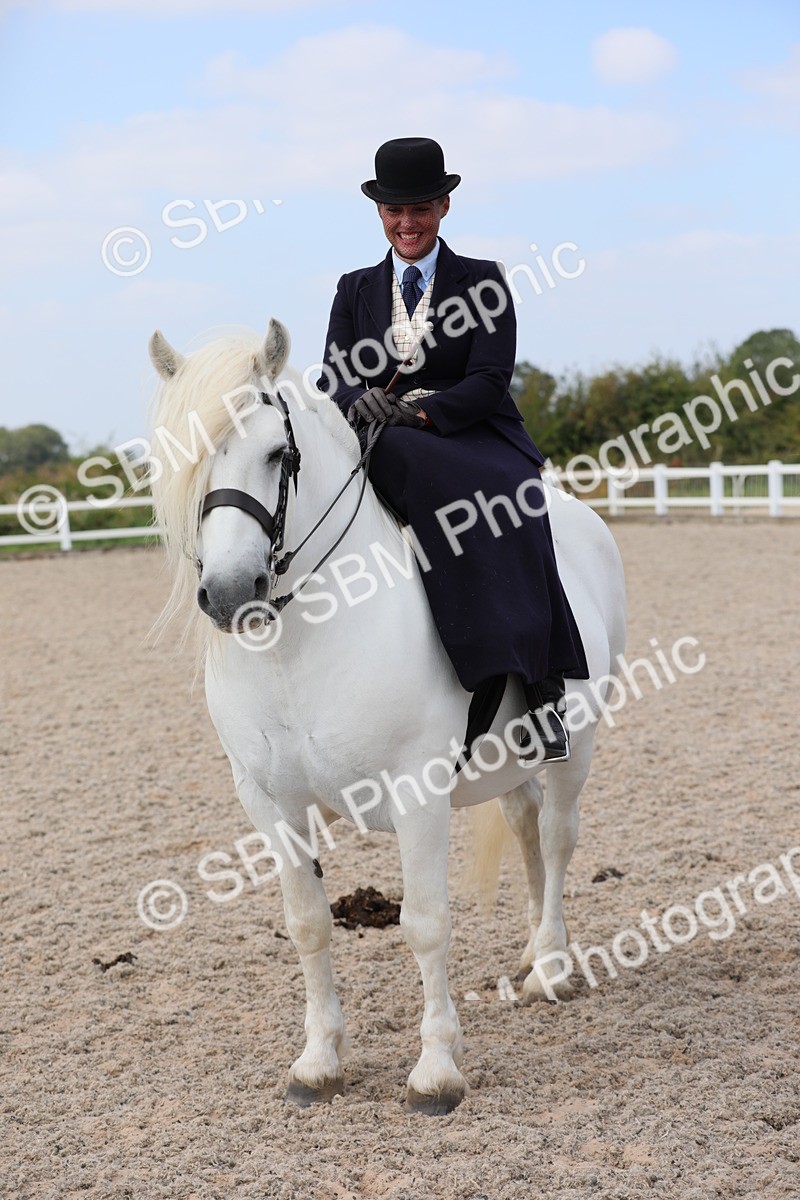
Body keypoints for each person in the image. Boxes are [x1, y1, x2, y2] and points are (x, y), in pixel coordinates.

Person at [318, 137, 588, 762]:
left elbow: (490, 378)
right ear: (379, 213)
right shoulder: (353, 288)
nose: (406, 223)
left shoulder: (483, 280)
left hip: (470, 431)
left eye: (419, 209)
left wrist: (421, 412)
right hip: (380, 433)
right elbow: (334, 375)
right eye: (394, 211)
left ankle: (541, 689)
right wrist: (361, 399)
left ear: (443, 206)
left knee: (517, 505)